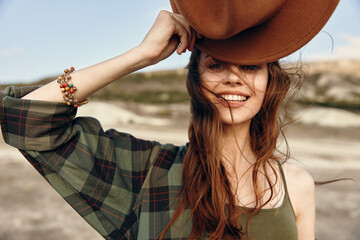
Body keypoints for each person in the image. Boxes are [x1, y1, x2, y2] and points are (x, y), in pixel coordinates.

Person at [0, 0, 340, 239]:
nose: (234, 78)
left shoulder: (296, 185)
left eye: (251, 67)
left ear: (270, 83)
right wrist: (140, 55)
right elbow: (25, 122)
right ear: (196, 80)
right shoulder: (150, 172)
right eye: (216, 65)